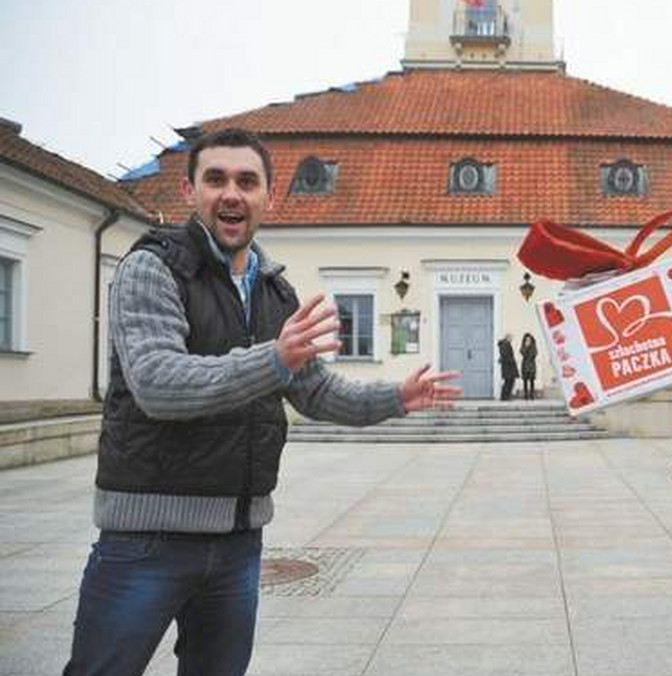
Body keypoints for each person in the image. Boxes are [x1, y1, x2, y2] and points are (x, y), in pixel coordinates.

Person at [62, 128, 461, 676]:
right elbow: (157, 382)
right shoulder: (152, 268)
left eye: (247, 181)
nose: (232, 193)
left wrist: (396, 395)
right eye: (216, 179)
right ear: (189, 191)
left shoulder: (275, 293)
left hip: (237, 542)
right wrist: (274, 358)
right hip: (145, 539)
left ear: (268, 197)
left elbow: (315, 390)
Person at [498, 333, 518, 400]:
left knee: (509, 381)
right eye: (510, 338)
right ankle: (505, 396)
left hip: (508, 366)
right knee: (509, 382)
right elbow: (506, 356)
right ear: (507, 338)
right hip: (508, 367)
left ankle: (506, 396)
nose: (511, 339)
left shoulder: (506, 344)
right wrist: (512, 361)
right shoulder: (505, 345)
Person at [520, 332, 538, 400]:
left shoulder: (534, 346)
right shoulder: (523, 346)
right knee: (525, 381)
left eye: (529, 340)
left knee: (531, 381)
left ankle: (532, 394)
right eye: (527, 340)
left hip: (531, 366)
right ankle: (526, 395)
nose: (528, 341)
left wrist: (529, 348)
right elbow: (522, 353)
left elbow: (534, 354)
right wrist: (526, 347)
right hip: (524, 366)